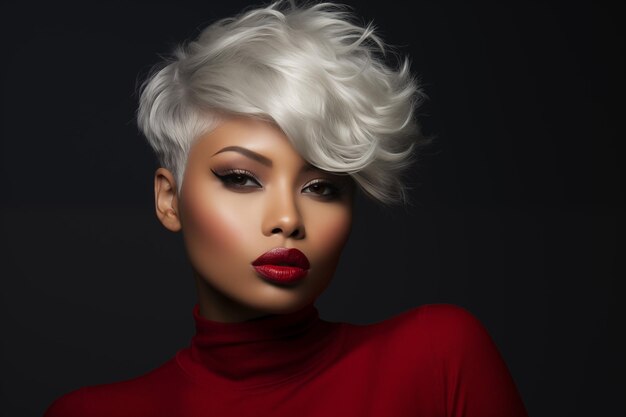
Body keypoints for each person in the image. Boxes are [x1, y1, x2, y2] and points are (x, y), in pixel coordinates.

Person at [44, 1, 528, 416]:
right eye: (240, 178)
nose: (288, 219)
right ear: (170, 200)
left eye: (321, 188)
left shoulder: (437, 357)